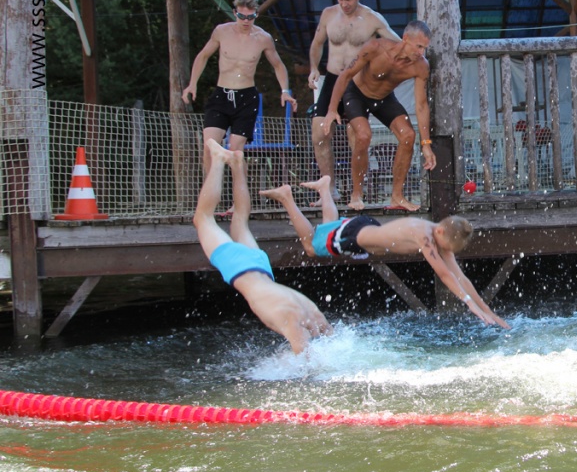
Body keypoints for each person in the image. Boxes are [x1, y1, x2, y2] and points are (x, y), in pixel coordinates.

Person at [260, 177, 510, 329]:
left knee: (328, 229)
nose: (445, 253)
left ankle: (325, 189)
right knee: (312, 247)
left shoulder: (438, 233)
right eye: (446, 248)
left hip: (363, 229)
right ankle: (287, 198)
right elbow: (445, 275)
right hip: (355, 237)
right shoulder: (424, 236)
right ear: (442, 232)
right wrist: (468, 304)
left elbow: (460, 277)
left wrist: (489, 312)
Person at [193, 139, 332, 353]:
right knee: (203, 218)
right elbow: (305, 356)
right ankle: (219, 160)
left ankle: (237, 164)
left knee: (240, 220)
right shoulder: (302, 312)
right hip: (244, 269)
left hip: (259, 267)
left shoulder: (304, 308)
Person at [325, 20, 436, 211]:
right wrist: (332, 109)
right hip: (356, 94)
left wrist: (426, 144)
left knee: (408, 136)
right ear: (405, 38)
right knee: (363, 135)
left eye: (424, 48)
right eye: (419, 46)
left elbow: (421, 105)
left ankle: (397, 197)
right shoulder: (376, 48)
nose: (421, 52)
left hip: (384, 98)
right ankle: (356, 194)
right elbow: (345, 75)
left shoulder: (420, 66)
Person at [307, 0, 400, 203]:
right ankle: (329, 190)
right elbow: (317, 43)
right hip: (332, 78)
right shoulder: (329, 14)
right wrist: (313, 68)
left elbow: (397, 45)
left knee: (356, 135)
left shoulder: (372, 19)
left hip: (357, 82)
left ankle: (358, 190)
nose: (344, 4)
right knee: (319, 132)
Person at [182, 0, 298, 174]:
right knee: (210, 147)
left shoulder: (263, 38)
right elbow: (203, 56)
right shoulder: (222, 32)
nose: (246, 21)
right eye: (242, 16)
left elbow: (278, 65)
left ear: (256, 15)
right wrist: (192, 83)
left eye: (250, 17)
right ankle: (211, 191)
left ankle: (240, 193)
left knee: (236, 152)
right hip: (222, 95)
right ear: (235, 13)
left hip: (246, 98)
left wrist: (284, 91)